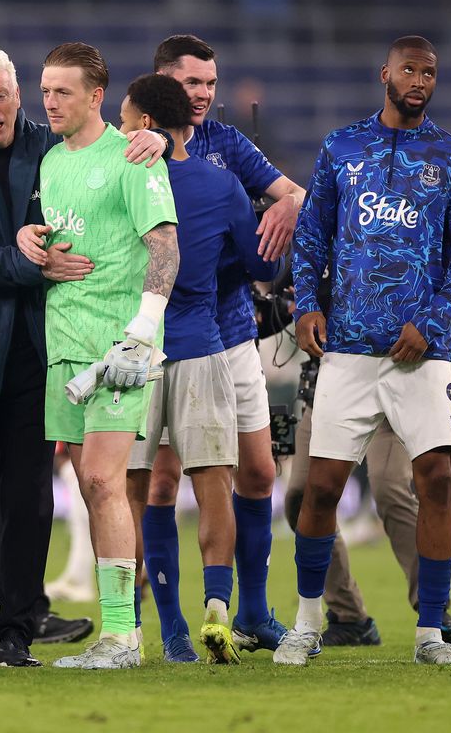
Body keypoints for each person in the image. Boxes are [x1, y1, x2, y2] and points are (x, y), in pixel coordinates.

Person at [0, 45, 167, 669]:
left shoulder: (48, 148)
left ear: (17, 95)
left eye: (1, 95)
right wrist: (31, 262)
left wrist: (158, 141)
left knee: (34, 499)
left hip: (45, 347)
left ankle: (20, 634)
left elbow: (116, 167)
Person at [276, 35, 451, 667]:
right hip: (347, 349)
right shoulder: (342, 148)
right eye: (408, 70)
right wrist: (308, 304)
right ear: (385, 74)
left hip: (423, 355)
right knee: (320, 489)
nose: (419, 80)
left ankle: (429, 633)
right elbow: (312, 234)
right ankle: (309, 623)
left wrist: (432, 320)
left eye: (429, 72)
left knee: (437, 482)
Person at [18, 43, 179, 670]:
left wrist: (143, 328)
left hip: (119, 346)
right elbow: (53, 234)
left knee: (107, 481)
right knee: (90, 486)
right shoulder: (52, 161)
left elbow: (165, 248)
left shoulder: (135, 157)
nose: (49, 102)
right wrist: (29, 241)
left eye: (63, 92)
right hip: (65, 345)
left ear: (95, 97)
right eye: (45, 90)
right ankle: (119, 631)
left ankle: (121, 635)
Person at [143, 34, 304, 654]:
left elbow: (293, 193)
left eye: (211, 83)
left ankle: (254, 613)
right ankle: (172, 624)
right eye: (191, 83)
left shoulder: (229, 145)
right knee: (162, 481)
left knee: (259, 471)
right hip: (161, 338)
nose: (204, 94)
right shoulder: (132, 149)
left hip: (232, 333)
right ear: (163, 84)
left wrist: (289, 205)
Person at [286, 360, 451, 647]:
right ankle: (349, 615)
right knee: (300, 495)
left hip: (398, 372)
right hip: (333, 378)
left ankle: (432, 606)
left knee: (390, 488)